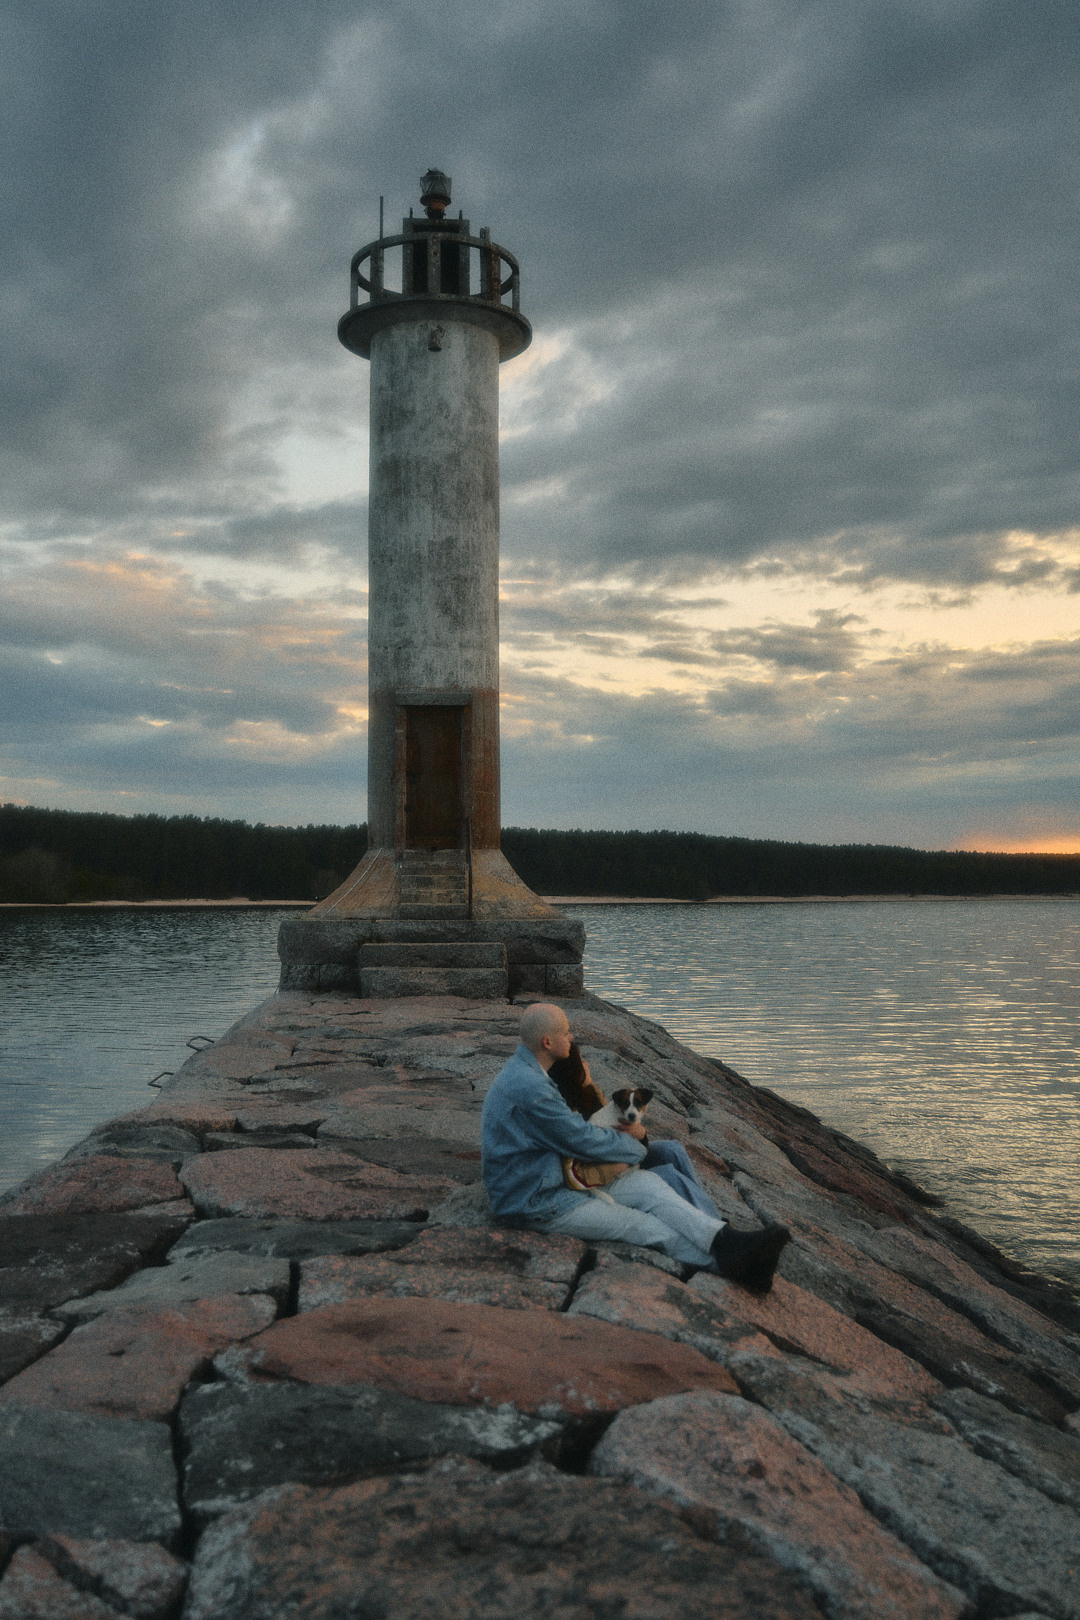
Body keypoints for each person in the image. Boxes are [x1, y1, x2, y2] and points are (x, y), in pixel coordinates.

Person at [481, 1002, 790, 1289]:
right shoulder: (531, 1088)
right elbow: (580, 1139)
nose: (571, 1037)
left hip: (554, 1181)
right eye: (565, 1033)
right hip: (535, 1203)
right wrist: (637, 1146)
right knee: (642, 1226)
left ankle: (724, 1239)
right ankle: (736, 1268)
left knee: (648, 1186)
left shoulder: (525, 1071)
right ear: (547, 1042)